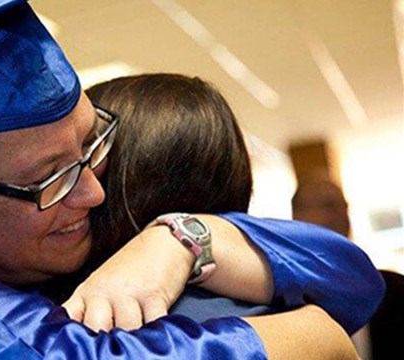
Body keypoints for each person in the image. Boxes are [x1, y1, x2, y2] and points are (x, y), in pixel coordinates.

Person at [0, 1, 380, 358]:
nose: (94, 191)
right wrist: (314, 336)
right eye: (48, 179)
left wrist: (184, 237)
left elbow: (355, 278)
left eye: (91, 146)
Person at [53, 73, 381, 335]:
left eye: (88, 155)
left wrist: (176, 238)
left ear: (122, 178)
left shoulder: (133, 331)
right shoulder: (280, 313)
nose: (75, 182)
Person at [292, 177, 404, 360]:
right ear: (297, 216)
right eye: (328, 205)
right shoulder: (284, 300)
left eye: (343, 206)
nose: (340, 214)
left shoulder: (394, 289)